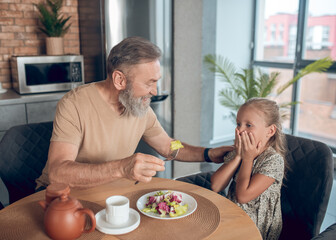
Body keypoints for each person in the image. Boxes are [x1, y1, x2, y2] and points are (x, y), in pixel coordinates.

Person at [35, 36, 233, 190]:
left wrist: (208, 153)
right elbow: (58, 173)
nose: (155, 91)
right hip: (61, 197)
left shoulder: (140, 106)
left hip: (111, 194)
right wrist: (122, 168)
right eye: (149, 83)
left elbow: (169, 145)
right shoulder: (74, 104)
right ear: (120, 80)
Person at [210, 98, 286, 240]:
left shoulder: (274, 160)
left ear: (270, 131)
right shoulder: (241, 151)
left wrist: (248, 159)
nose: (240, 130)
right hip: (233, 218)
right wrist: (238, 156)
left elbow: (243, 196)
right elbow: (216, 185)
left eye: (248, 125)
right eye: (238, 124)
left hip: (256, 229)